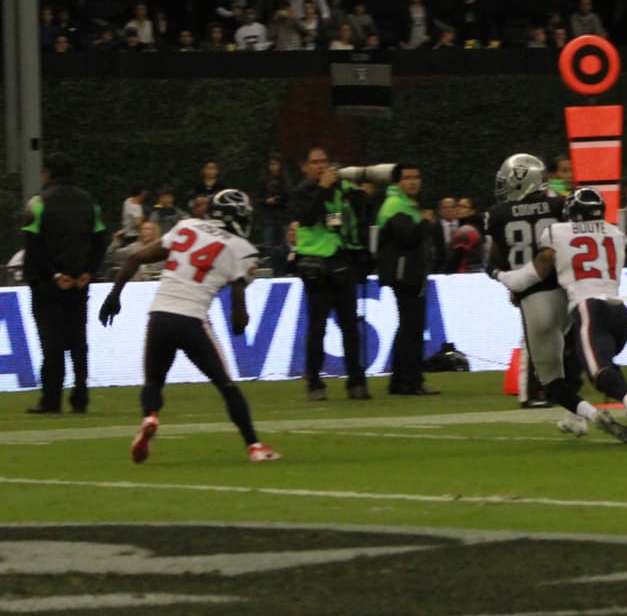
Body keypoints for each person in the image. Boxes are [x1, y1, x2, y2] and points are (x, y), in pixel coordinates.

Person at [98, 189, 280, 464]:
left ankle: (150, 417)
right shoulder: (243, 250)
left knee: (154, 382)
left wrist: (113, 297)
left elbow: (134, 258)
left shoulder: (186, 226)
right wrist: (241, 323)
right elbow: (238, 307)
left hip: (159, 315)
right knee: (226, 385)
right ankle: (254, 445)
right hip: (192, 319)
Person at [494, 188, 627, 443]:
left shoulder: (556, 233)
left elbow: (534, 273)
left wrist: (499, 275)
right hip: (620, 312)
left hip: (591, 311)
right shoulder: (617, 233)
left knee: (599, 373)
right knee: (590, 364)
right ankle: (590, 415)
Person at [21, 154, 108, 414]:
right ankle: (80, 398)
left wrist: (54, 275)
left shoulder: (37, 203)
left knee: (51, 342)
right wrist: (88, 272)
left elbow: (32, 246)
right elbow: (100, 241)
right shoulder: (89, 202)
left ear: (47, 173)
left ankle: (51, 399)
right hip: (80, 282)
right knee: (78, 341)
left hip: (49, 284)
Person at [484, 154, 565, 409]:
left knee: (536, 338)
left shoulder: (497, 214)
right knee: (553, 337)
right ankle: (538, 390)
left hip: (524, 281)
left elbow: (494, 256)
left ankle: (535, 390)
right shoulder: (560, 206)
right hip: (557, 278)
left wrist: (508, 279)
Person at [291, 146, 370, 401]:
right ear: (306, 166)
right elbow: (307, 218)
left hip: (340, 261)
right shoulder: (300, 192)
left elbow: (352, 220)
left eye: (323, 161)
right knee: (317, 327)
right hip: (314, 265)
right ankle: (314, 382)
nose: (320, 166)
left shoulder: (341, 190)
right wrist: (323, 188)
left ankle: (356, 380)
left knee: (350, 326)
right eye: (314, 162)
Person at [376, 164, 439, 396]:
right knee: (411, 327)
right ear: (397, 182)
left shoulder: (407, 204)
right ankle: (411, 381)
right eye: (407, 178)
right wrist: (425, 222)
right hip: (405, 274)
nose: (413, 182)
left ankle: (400, 380)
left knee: (408, 327)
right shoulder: (395, 205)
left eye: (416, 176)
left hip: (411, 273)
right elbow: (409, 237)